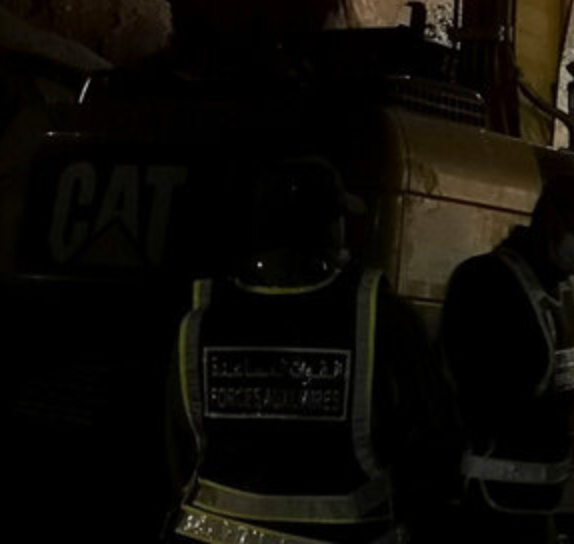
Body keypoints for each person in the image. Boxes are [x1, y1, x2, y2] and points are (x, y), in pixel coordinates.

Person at [167, 158, 447, 544]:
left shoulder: (202, 315)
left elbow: (178, 448)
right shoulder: (379, 315)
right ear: (329, 228)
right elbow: (435, 441)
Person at [439, 151, 574, 543]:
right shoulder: (487, 284)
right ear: (553, 218)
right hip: (484, 512)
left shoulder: (557, 293)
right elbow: (485, 405)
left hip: (533, 509)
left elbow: (552, 385)